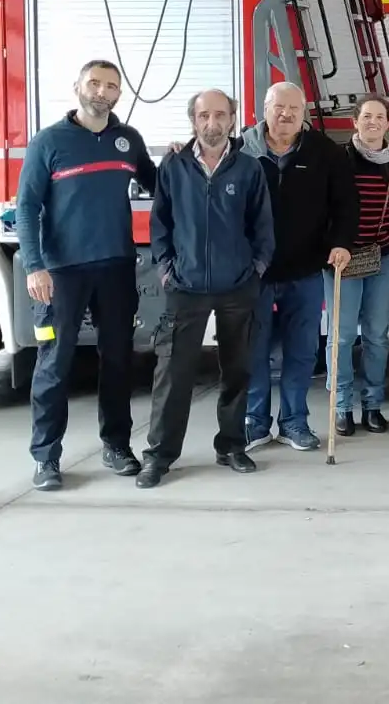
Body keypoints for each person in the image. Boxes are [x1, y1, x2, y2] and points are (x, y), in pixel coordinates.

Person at [16, 60, 158, 491]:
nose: (102, 91)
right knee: (53, 365)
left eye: (111, 86)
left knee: (117, 361)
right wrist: (34, 265)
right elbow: (27, 207)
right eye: (94, 83)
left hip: (116, 268)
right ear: (77, 86)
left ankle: (116, 446)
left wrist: (184, 160)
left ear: (119, 95)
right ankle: (46, 458)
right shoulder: (49, 142)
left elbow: (161, 188)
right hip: (62, 274)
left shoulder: (128, 141)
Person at [138, 90, 274, 489]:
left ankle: (231, 446)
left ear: (233, 119)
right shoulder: (174, 165)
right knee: (173, 374)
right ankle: (160, 455)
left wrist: (256, 270)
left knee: (238, 370)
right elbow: (160, 224)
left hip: (238, 287)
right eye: (203, 115)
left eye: (219, 115)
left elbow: (263, 227)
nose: (211, 123)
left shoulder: (249, 169)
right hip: (187, 286)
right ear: (193, 120)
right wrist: (166, 268)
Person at [240, 81, 357, 453]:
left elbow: (345, 204)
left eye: (293, 108)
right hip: (254, 272)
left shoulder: (324, 152)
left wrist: (341, 243)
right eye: (278, 107)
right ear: (264, 109)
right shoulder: (241, 150)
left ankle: (294, 422)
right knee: (253, 349)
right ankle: (255, 422)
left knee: (302, 350)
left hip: (306, 269)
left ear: (303, 113)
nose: (286, 114)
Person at [332, 94, 389, 437]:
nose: (372, 122)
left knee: (377, 335)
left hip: (385, 254)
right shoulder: (336, 158)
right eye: (366, 116)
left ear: (388, 123)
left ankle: (373, 405)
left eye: (379, 117)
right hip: (344, 257)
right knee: (343, 335)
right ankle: (342, 407)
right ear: (355, 122)